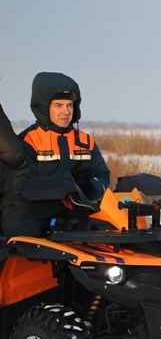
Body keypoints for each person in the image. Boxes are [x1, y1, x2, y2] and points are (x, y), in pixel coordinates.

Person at [1, 72, 110, 238]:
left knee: (106, 229)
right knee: (21, 233)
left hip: (72, 210)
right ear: (44, 107)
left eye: (70, 105)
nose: (66, 111)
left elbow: (102, 176)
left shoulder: (84, 140)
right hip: (29, 211)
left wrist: (89, 187)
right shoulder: (29, 140)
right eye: (58, 105)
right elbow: (21, 184)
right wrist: (64, 186)